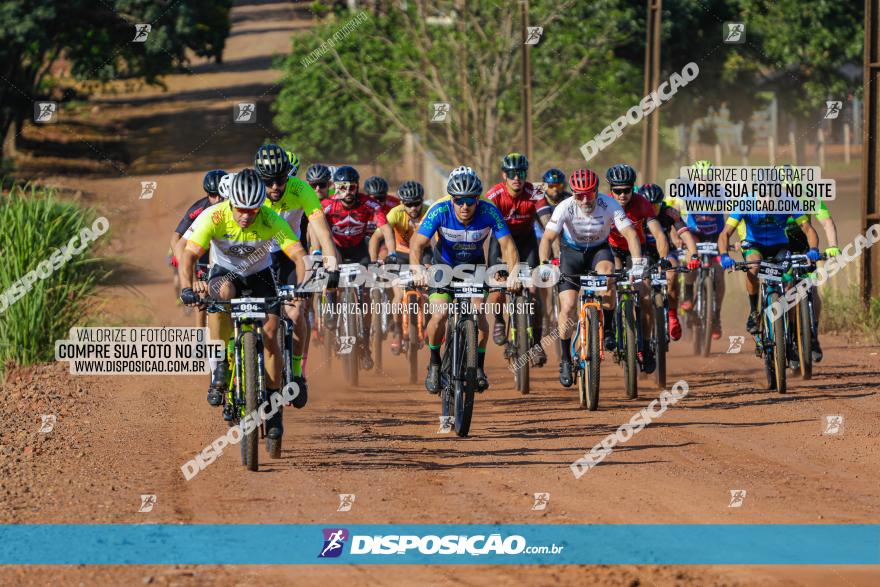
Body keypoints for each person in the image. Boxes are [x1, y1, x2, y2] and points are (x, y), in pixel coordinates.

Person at [178, 169, 308, 439]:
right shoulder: (214, 216)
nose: (247, 216)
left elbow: (298, 254)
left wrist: (301, 284)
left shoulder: (270, 218)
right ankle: (223, 364)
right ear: (230, 203)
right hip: (224, 274)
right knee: (220, 294)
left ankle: (273, 410)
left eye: (253, 210)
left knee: (272, 334)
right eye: (241, 210)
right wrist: (187, 287)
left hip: (261, 276)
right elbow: (189, 253)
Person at [410, 168, 520, 394]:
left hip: (474, 268)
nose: (465, 206)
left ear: (477, 199)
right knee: (439, 315)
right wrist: (416, 269)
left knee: (479, 314)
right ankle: (434, 363)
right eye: (459, 200)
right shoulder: (439, 210)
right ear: (452, 198)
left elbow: (508, 245)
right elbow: (417, 245)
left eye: (470, 200)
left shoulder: (489, 211)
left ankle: (478, 368)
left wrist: (515, 273)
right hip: (443, 267)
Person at [537, 168, 645, 388]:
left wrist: (638, 264)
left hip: (598, 251)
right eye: (579, 194)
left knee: (608, 278)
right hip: (571, 254)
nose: (585, 199)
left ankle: (606, 331)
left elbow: (631, 234)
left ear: (597, 191)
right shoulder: (564, 207)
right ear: (573, 193)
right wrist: (545, 265)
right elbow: (548, 238)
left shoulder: (609, 204)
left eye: (589, 194)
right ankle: (566, 359)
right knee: (567, 306)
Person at [255, 145, 339, 397]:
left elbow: (322, 230)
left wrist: (331, 263)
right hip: (256, 259)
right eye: (268, 181)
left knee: (296, 312)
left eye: (280, 180)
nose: (275, 187)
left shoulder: (301, 190)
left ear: (288, 176)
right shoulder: (252, 191)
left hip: (291, 256)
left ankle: (297, 373)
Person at [321, 165, 397, 369]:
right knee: (330, 275)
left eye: (352, 188)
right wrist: (317, 251)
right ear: (335, 188)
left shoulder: (369, 204)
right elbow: (314, 229)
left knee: (365, 295)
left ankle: (363, 342)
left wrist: (392, 253)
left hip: (358, 250)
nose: (347, 192)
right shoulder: (327, 205)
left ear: (357, 188)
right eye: (342, 188)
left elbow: (386, 229)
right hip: (335, 249)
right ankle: (330, 306)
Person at [485, 152, 552, 366]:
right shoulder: (494, 194)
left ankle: (537, 343)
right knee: (497, 290)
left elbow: (547, 222)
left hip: (526, 242)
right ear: (504, 175)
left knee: (534, 290)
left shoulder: (535, 191)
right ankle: (498, 320)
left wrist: (554, 247)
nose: (517, 178)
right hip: (502, 244)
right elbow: (483, 225)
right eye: (512, 173)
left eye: (521, 173)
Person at [605, 164, 669, 373]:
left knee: (646, 296)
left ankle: (647, 344)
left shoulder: (642, 204)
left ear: (633, 188)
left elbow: (658, 233)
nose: (622, 195)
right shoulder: (603, 203)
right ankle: (609, 328)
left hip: (636, 251)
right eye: (617, 190)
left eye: (626, 190)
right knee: (610, 282)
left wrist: (664, 258)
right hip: (612, 250)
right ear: (610, 189)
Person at [717, 209, 820, 335]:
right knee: (754, 266)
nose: (767, 199)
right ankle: (754, 311)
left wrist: (813, 249)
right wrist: (724, 256)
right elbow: (725, 234)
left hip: (779, 246)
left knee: (789, 286)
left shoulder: (786, 200)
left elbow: (808, 229)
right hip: (753, 245)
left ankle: (792, 331)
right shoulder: (745, 203)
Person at [369, 180, 430, 354]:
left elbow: (439, 236)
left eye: (416, 203)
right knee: (397, 294)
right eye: (408, 204)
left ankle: (426, 325)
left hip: (424, 252)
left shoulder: (428, 212)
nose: (413, 209)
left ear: (422, 201)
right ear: (401, 202)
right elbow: (375, 238)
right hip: (401, 254)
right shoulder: (394, 213)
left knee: (426, 292)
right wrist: (375, 262)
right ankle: (396, 330)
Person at [639, 183, 701, 340]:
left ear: (662, 202)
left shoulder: (669, 212)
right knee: (641, 287)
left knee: (673, 273)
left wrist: (694, 255)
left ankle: (672, 315)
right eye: (649, 205)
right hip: (642, 253)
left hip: (664, 252)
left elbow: (686, 234)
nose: (653, 209)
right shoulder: (635, 211)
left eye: (656, 205)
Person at [677, 160, 728, 340]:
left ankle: (717, 317)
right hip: (694, 235)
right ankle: (688, 293)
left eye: (707, 178)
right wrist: (678, 239)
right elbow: (675, 216)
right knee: (691, 263)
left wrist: (734, 241)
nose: (703, 182)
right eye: (699, 178)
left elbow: (734, 217)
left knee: (719, 275)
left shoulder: (721, 192)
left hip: (715, 236)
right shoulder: (686, 193)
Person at [169, 169, 227, 290]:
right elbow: (176, 237)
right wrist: (183, 263)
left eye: (221, 195)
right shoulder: (199, 209)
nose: (217, 200)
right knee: (201, 294)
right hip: (202, 253)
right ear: (207, 194)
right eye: (212, 195)